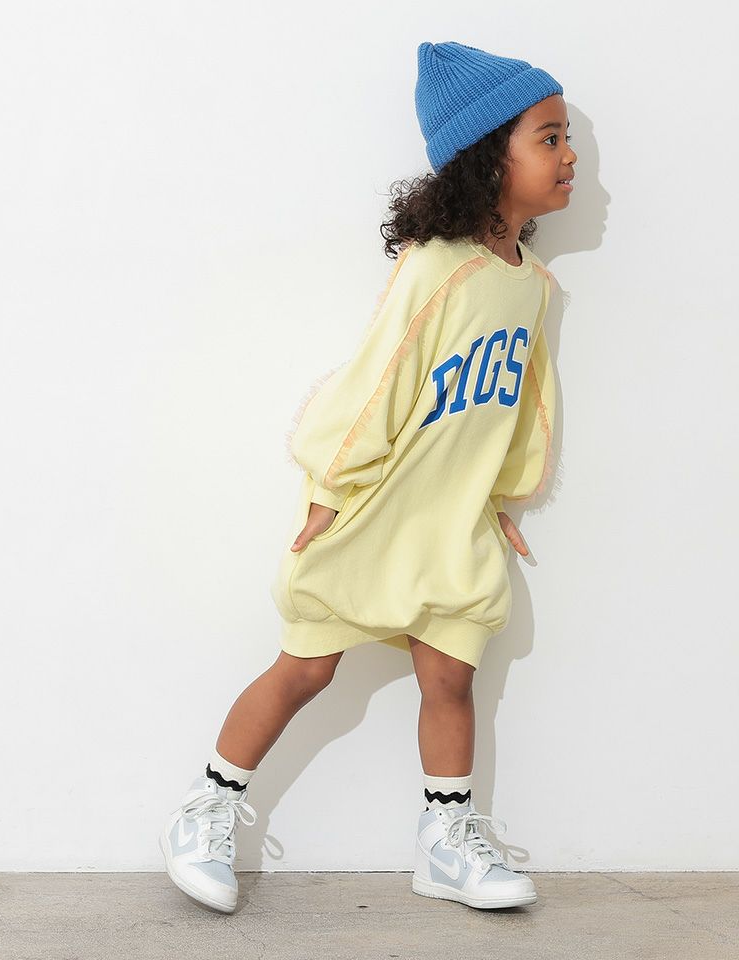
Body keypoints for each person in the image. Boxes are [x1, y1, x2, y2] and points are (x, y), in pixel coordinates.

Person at [159, 39, 574, 915]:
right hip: (378, 508)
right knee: (306, 669)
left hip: (453, 521)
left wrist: (506, 494)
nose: (568, 155)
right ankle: (207, 808)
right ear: (488, 155)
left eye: (565, 136)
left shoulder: (531, 285)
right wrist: (328, 485)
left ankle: (446, 844)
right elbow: (376, 378)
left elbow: (528, 396)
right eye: (549, 138)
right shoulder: (434, 268)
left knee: (450, 676)